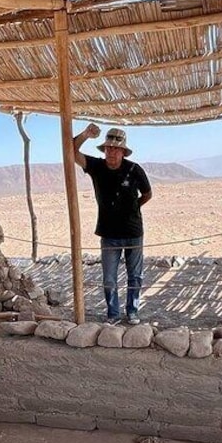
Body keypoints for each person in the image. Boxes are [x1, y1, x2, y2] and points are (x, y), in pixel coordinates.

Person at [74, 124, 152, 325]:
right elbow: (71, 151)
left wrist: (133, 209)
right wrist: (85, 135)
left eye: (116, 148)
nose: (111, 151)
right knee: (109, 278)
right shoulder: (96, 167)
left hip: (133, 232)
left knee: (135, 275)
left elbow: (147, 194)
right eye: (108, 148)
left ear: (123, 151)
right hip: (108, 234)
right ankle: (113, 313)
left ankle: (132, 311)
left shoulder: (134, 169)